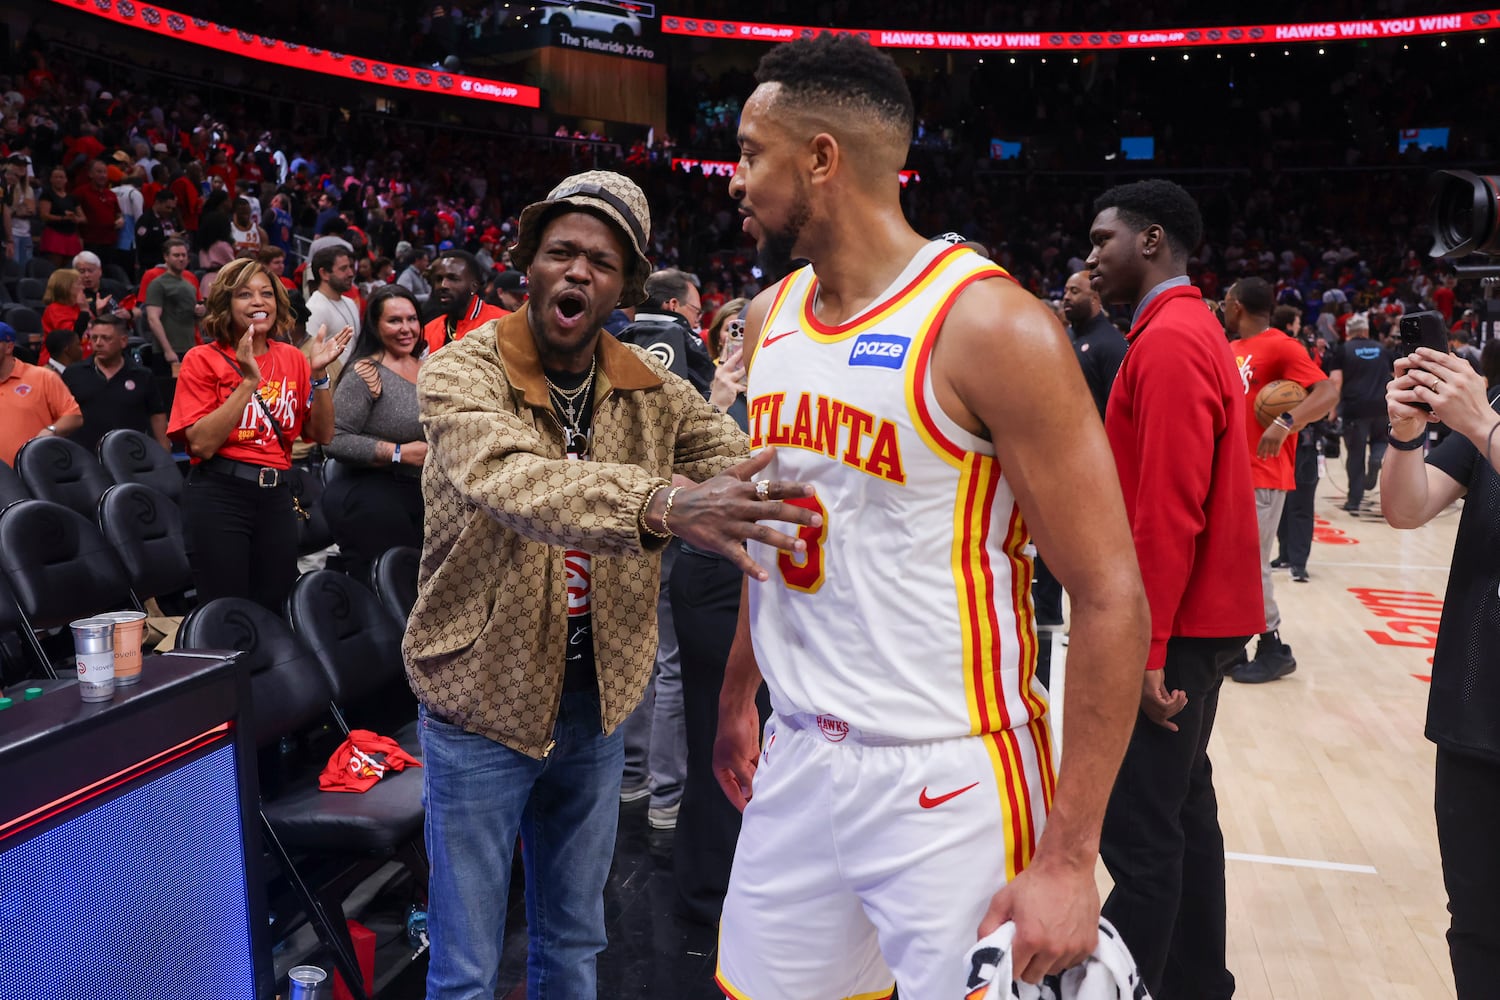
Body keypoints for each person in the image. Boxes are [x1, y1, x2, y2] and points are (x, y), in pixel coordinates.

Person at [713, 36, 1149, 999]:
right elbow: (774, 521)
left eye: (751, 153)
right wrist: (740, 692)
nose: (735, 180)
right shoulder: (766, 317)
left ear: (821, 158)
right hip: (797, 753)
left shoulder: (991, 327)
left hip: (948, 777)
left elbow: (1112, 595)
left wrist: (1073, 859)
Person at [404, 170, 817, 1000]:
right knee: (465, 967)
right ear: (530, 264)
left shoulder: (653, 390)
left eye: (601, 259)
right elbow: (516, 479)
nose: (578, 272)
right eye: (562, 252)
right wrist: (664, 503)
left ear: (625, 284)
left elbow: (747, 463)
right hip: (481, 700)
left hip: (596, 702)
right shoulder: (459, 372)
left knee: (577, 941)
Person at [1084, 179, 1265, 1000]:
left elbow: (1166, 511)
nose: (1091, 256)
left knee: (1141, 839)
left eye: (1103, 239)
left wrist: (1145, 650)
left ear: (1151, 240)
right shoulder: (1188, 330)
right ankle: (1198, 982)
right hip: (1200, 620)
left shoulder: (1167, 342)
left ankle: (1135, 987)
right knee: (1187, 815)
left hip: (1176, 629)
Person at [1380, 345, 1500, 1000]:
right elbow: (1407, 508)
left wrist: (1481, 425)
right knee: (1477, 926)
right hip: (1475, 711)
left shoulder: (1490, 418)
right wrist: (1405, 436)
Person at [167, 257, 350, 610]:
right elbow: (201, 444)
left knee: (275, 603)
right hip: (220, 494)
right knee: (227, 608)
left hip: (276, 495)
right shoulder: (202, 359)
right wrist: (249, 381)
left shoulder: (294, 359)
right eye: (244, 294)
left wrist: (320, 377)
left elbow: (322, 433)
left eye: (266, 293)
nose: (258, 302)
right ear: (225, 304)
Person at [1221, 276, 1337, 684]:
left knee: (1252, 565)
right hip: (1232, 475)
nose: (1221, 306)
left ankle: (1273, 647)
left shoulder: (1282, 345)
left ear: (1237, 305)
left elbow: (1326, 392)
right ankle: (1233, 646)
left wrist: (1286, 422)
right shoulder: (1231, 348)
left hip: (1264, 472)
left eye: (1225, 299)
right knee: (1229, 565)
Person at [322, 284, 427, 577]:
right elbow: (333, 439)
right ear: (375, 326)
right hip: (372, 497)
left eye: (411, 319)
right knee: (393, 593)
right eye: (394, 321)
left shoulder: (429, 368)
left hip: (422, 494)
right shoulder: (365, 372)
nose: (406, 328)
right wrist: (398, 453)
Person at [62, 312, 169, 454]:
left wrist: (164, 454)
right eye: (94, 338)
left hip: (132, 455)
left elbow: (157, 415)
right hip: (85, 459)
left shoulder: (142, 375)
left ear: (123, 341)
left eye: (106, 338)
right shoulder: (73, 374)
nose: (98, 343)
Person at [1325, 311, 1395, 515]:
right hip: (1381, 406)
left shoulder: (1342, 350)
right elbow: (1394, 377)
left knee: (1355, 455)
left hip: (1355, 409)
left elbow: (1335, 382)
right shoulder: (1382, 349)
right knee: (1380, 440)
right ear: (1365, 331)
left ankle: (1354, 500)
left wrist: (1332, 411)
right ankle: (1376, 460)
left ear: (1348, 333)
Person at [1270, 304, 1321, 582]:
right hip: (1281, 438)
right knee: (1285, 502)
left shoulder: (1301, 356)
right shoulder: (1287, 351)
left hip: (1304, 439)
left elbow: (1323, 396)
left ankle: (1298, 561)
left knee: (1299, 503)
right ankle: (1287, 554)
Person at [0, 320, 82, 464]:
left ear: (9, 347)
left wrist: (51, 429)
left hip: (36, 471)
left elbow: (74, 417)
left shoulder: (42, 376)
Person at [1060, 268, 1127, 419]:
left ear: (1095, 298)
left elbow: (1117, 409)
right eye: (1066, 291)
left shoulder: (1111, 343)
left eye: (1074, 291)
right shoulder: (1066, 335)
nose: (1066, 297)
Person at [421, 248, 506, 355]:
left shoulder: (503, 324)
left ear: (474, 286)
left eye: (453, 278)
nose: (443, 285)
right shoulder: (428, 331)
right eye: (438, 279)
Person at [145, 237, 203, 375]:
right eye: (176, 255)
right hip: (169, 350)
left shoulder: (190, 284)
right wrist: (168, 350)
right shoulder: (158, 284)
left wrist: (200, 311)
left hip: (190, 347)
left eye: (184, 255)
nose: (181, 259)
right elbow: (153, 319)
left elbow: (195, 318)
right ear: (166, 257)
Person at [305, 244, 361, 367]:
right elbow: (310, 355)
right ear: (324, 273)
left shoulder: (350, 303)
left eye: (350, 267)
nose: (351, 273)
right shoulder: (314, 309)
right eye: (343, 269)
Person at [37, 166, 84, 265]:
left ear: (66, 180)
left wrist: (76, 219)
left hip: (71, 235)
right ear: (51, 179)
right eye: (56, 177)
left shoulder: (72, 198)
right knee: (55, 265)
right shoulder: (47, 194)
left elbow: (83, 218)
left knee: (70, 266)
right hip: (54, 234)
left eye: (61, 177)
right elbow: (44, 215)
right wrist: (63, 218)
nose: (59, 179)